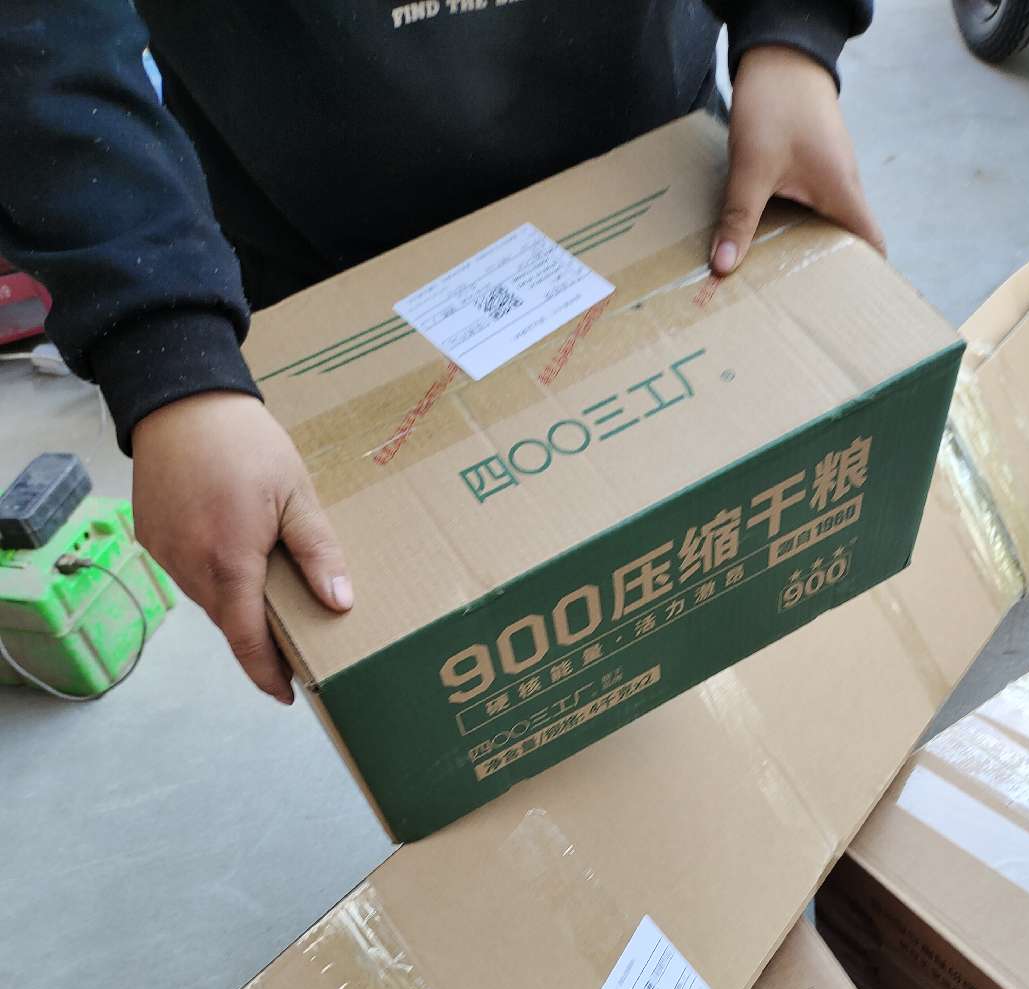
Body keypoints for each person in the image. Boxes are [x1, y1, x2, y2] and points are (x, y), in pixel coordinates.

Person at [1, 2, 879, 703]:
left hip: (655, 196)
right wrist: (164, 352)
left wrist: (790, 33)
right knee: (498, 687)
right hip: (334, 269)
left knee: (745, 591)